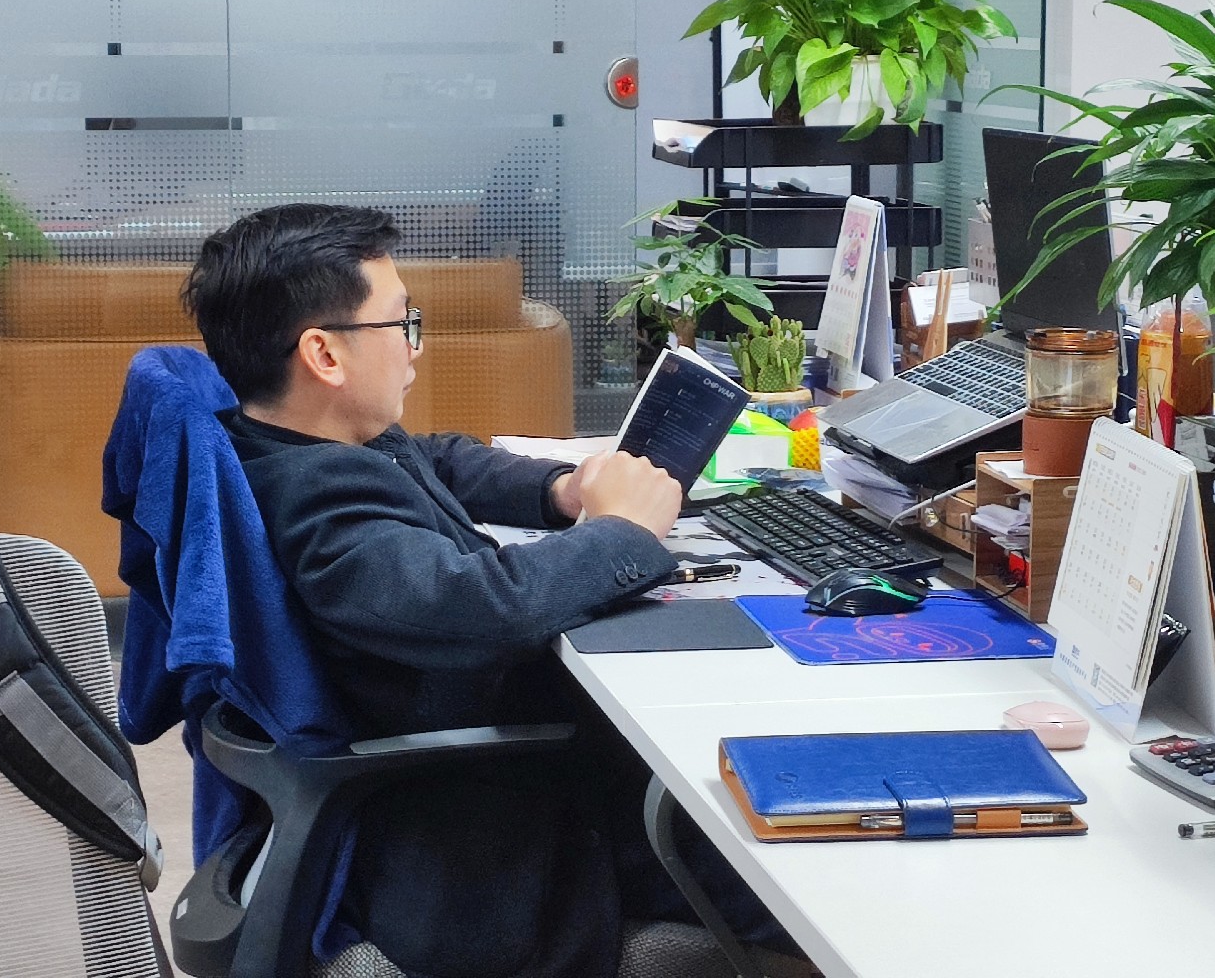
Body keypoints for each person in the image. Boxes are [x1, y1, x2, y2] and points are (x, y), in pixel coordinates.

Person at [182, 203, 784, 977]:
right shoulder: (314, 501)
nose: (415, 347)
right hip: (495, 833)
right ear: (324, 354)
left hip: (504, 778)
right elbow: (479, 608)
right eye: (401, 324)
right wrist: (621, 532)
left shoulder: (304, 440)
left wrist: (561, 490)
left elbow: (436, 459)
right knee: (785, 859)